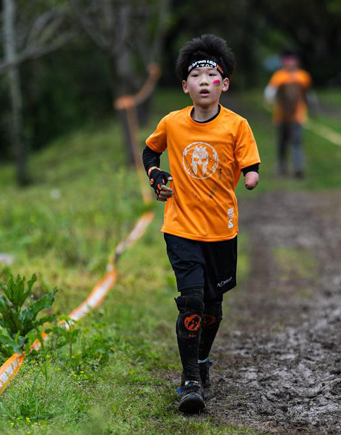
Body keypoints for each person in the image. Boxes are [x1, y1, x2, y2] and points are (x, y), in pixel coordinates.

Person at [142, 34, 261, 413]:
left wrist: (250, 174)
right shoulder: (172, 123)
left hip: (222, 229)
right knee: (191, 300)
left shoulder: (236, 125)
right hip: (180, 227)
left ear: (224, 84)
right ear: (185, 86)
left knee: (213, 306)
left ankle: (203, 361)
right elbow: (150, 150)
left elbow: (250, 162)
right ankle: (190, 379)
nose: (205, 81)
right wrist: (156, 177)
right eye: (197, 76)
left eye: (213, 75)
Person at [264, 50, 313, 179]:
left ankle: (298, 167)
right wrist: (269, 99)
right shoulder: (279, 76)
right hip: (281, 117)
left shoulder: (303, 76)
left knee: (297, 142)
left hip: (298, 116)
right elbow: (270, 91)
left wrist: (310, 107)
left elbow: (308, 94)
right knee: (282, 142)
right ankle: (282, 166)